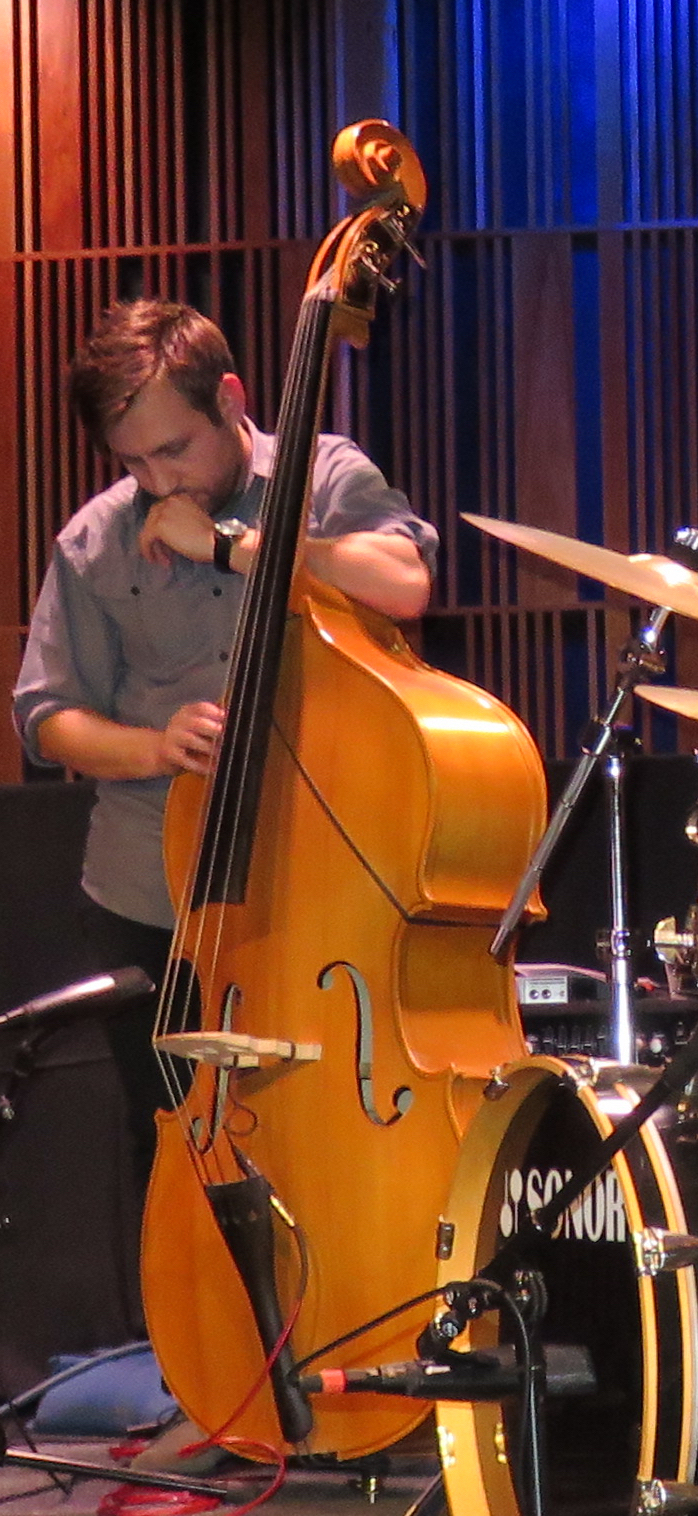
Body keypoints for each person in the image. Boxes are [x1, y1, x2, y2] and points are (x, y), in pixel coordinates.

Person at [11, 299, 438, 1184]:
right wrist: (156, 747)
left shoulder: (322, 478)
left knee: (324, 1142)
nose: (159, 481)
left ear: (233, 399)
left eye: (175, 449)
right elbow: (47, 715)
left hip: (319, 883)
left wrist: (240, 545)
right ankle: (196, 1325)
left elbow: (404, 584)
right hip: (153, 893)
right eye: (133, 461)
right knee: (176, 1149)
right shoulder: (96, 542)